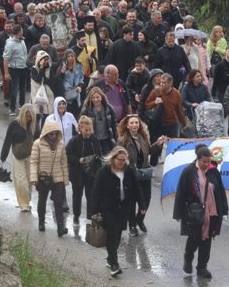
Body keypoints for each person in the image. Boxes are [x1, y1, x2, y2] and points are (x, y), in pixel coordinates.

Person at [173, 144, 229, 280]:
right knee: (194, 238)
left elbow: (220, 191)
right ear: (198, 159)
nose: (206, 164)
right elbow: (181, 192)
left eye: (208, 161)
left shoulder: (213, 172)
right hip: (195, 212)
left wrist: (224, 209)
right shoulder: (189, 172)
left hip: (212, 212)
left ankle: (202, 267)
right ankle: (188, 258)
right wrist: (178, 213)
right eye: (204, 162)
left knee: (207, 240)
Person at [90, 146, 145, 277]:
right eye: (119, 160)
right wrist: (94, 211)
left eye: (124, 160)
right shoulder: (104, 171)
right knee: (113, 232)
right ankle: (114, 264)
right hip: (108, 207)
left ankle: (110, 258)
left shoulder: (129, 171)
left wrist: (142, 204)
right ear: (113, 158)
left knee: (118, 235)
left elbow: (137, 188)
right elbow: (96, 191)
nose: (122, 162)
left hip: (123, 207)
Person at [117, 114, 166, 236]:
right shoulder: (122, 140)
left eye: (136, 122)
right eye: (132, 123)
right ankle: (132, 225)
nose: (135, 125)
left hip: (144, 173)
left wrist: (158, 144)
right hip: (131, 174)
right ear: (127, 126)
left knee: (146, 199)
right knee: (132, 201)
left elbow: (149, 151)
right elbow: (118, 157)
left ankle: (140, 219)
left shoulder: (143, 137)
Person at [29, 119, 69, 236]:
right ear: (46, 133)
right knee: (42, 200)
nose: (53, 136)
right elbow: (34, 161)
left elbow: (64, 162)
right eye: (51, 134)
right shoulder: (37, 144)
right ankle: (41, 221)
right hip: (43, 177)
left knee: (58, 202)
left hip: (57, 177)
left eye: (55, 133)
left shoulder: (61, 144)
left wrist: (65, 179)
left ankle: (60, 227)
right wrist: (33, 178)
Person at [66, 116, 102, 229]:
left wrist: (97, 164)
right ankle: (76, 216)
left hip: (91, 173)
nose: (88, 132)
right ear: (80, 129)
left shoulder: (94, 140)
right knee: (77, 195)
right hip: (77, 173)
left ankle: (90, 217)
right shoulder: (74, 141)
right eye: (86, 130)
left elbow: (99, 155)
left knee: (91, 195)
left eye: (90, 129)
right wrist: (78, 160)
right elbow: (67, 156)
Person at [1, 104, 38, 213]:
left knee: (30, 180)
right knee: (21, 180)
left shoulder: (34, 125)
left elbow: (38, 141)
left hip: (30, 155)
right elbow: (7, 140)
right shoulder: (14, 124)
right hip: (17, 156)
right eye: (26, 116)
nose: (28, 118)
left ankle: (27, 198)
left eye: (30, 116)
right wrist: (3, 155)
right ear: (22, 114)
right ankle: (24, 204)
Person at [146, 73, 189, 143]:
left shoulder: (176, 94)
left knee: (173, 143)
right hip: (159, 124)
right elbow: (147, 105)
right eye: (160, 82)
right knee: (159, 144)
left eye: (164, 83)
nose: (161, 84)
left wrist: (183, 123)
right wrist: (154, 102)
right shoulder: (155, 91)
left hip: (172, 123)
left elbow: (179, 110)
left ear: (170, 84)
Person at [81, 86, 118, 154]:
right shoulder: (86, 110)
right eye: (93, 98)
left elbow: (114, 124)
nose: (95, 99)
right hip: (93, 140)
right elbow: (81, 126)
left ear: (101, 97)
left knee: (107, 157)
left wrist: (116, 138)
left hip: (106, 139)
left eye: (97, 97)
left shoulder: (109, 108)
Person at [3, 25, 28, 115]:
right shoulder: (10, 44)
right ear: (18, 32)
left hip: (24, 67)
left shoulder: (22, 41)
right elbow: (6, 58)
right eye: (21, 31)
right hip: (14, 69)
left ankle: (22, 105)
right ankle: (12, 108)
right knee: (14, 89)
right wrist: (6, 73)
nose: (23, 32)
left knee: (23, 89)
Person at [29, 50, 56, 128]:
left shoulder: (50, 69)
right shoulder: (33, 69)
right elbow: (38, 79)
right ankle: (36, 133)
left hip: (48, 96)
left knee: (47, 116)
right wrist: (41, 68)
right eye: (44, 59)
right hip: (36, 95)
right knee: (36, 116)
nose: (45, 61)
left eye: (47, 59)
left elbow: (51, 81)